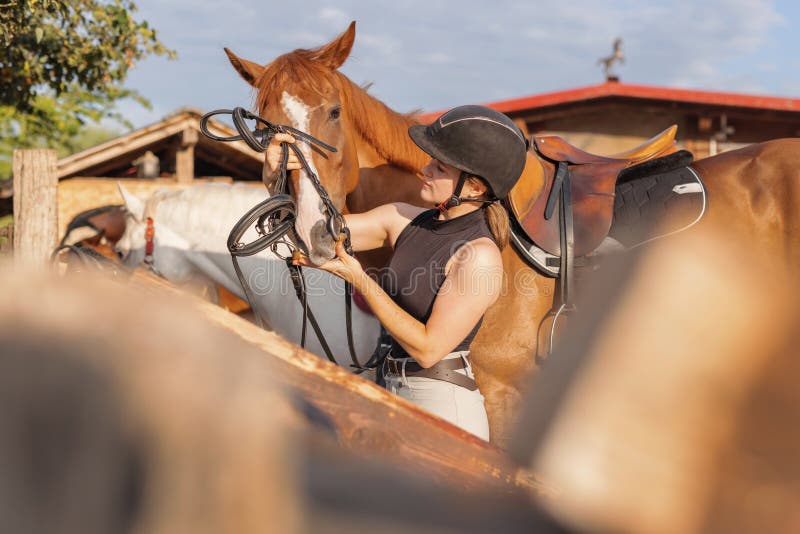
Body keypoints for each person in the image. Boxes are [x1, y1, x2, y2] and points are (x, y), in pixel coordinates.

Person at [266, 105, 528, 440]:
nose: (425, 169)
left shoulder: (479, 255)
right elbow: (312, 235)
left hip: (442, 404)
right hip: (390, 389)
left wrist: (359, 278)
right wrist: (280, 176)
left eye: (439, 166)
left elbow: (429, 349)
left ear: (474, 188)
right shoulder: (401, 218)